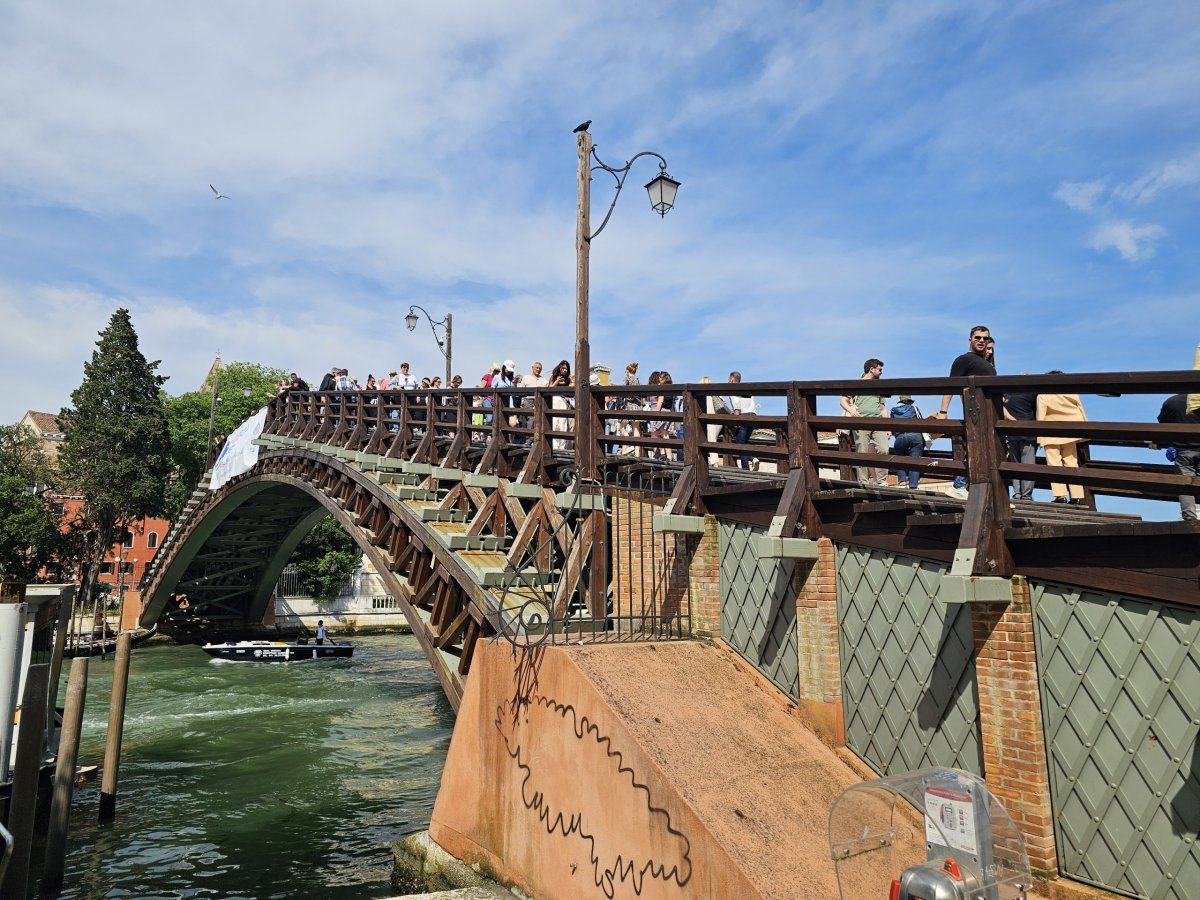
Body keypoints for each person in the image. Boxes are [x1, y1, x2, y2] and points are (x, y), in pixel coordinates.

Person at [936, 326, 996, 498]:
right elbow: (950, 386)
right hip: (976, 413)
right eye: (978, 337)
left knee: (990, 453)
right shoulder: (964, 360)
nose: (981, 341)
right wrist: (943, 412)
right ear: (970, 339)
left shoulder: (986, 363)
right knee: (977, 448)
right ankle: (959, 485)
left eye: (985, 338)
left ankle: (993, 495)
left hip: (991, 412)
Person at [1037, 376, 1087, 504]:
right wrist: (1085, 430)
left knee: (1054, 465)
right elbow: (1081, 410)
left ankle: (1060, 496)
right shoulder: (1072, 394)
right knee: (1072, 463)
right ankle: (1077, 495)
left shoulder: (1043, 396)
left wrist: (1039, 437)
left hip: (1051, 434)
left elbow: (1040, 417)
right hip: (1070, 432)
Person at [841, 358, 889, 485]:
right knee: (862, 452)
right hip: (861, 422)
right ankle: (863, 482)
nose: (881, 372)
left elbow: (883, 408)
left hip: (878, 422)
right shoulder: (857, 384)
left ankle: (881, 481)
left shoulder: (879, 386)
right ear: (871, 369)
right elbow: (843, 401)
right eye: (880, 369)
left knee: (884, 450)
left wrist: (888, 427)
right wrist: (851, 410)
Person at [1157, 393, 1200, 520]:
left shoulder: (1171, 402)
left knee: (1185, 484)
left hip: (1182, 450)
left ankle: (1189, 518)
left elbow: (1162, 423)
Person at [1004, 376, 1039, 501]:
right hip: (1028, 434)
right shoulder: (1032, 395)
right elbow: (1038, 413)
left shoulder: (1007, 395)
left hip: (1011, 434)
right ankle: (1026, 495)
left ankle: (1017, 493)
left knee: (1015, 464)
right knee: (1028, 465)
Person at [890, 395, 924, 489]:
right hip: (915, 436)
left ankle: (902, 481)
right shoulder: (914, 408)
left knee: (900, 457)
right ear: (909, 402)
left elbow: (891, 427)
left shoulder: (893, 410)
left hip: (900, 438)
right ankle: (913, 485)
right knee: (915, 460)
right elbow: (922, 423)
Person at [727, 371, 758, 470]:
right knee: (744, 443)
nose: (728, 381)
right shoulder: (746, 388)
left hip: (743, 416)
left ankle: (746, 468)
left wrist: (736, 421)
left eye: (729, 379)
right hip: (753, 416)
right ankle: (752, 459)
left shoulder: (732, 390)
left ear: (732, 380)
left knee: (740, 444)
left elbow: (737, 409)